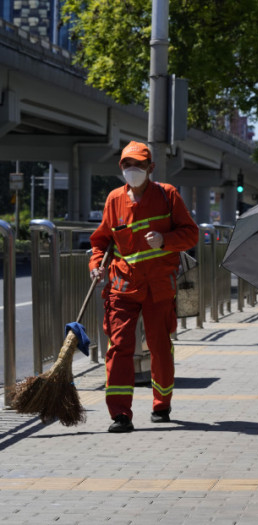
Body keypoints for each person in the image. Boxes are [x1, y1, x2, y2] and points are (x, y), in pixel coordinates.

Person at [89, 141, 199, 433]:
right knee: (119, 347)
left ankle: (161, 404)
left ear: (151, 168)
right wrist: (96, 265)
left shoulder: (167, 195)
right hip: (122, 286)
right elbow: (101, 241)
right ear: (121, 168)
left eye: (138, 165)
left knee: (160, 348)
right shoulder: (114, 199)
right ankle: (120, 415)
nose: (132, 170)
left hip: (159, 287)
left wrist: (165, 241)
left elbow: (191, 234)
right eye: (127, 165)